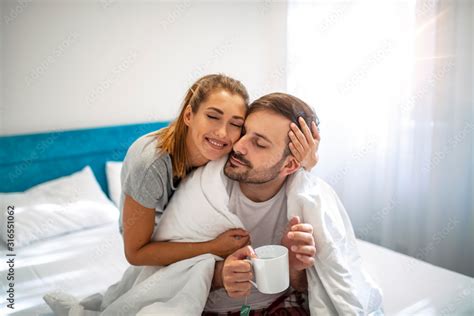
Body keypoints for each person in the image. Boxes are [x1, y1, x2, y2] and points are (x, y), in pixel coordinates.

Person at [119, 75, 321, 267]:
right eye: (213, 116)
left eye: (235, 124)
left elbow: (272, 162)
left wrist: (309, 161)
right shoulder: (149, 163)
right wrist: (212, 248)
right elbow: (136, 254)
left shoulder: (235, 147)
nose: (223, 133)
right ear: (188, 115)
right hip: (152, 241)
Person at [203, 92, 319, 315]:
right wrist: (219, 276)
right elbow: (168, 273)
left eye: (259, 143)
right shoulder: (206, 189)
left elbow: (306, 285)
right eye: (244, 132)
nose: (238, 146)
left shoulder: (302, 201)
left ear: (290, 166)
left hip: (280, 305)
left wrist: (295, 267)